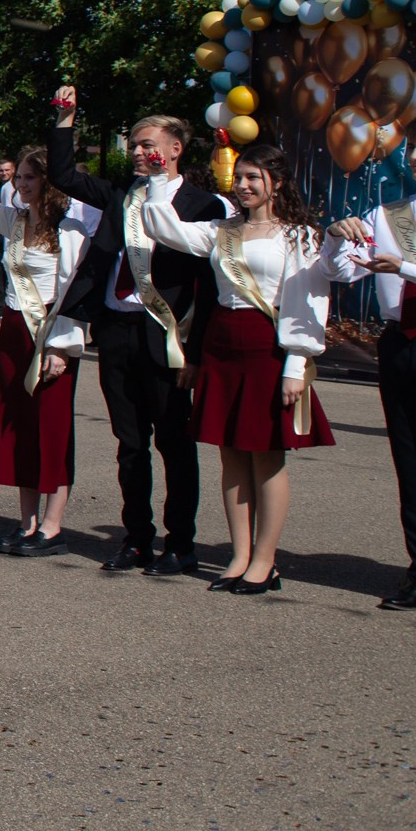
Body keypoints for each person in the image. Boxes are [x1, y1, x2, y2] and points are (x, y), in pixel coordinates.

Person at [44, 89, 226, 577]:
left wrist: (196, 351)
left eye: (149, 144)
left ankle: (181, 543)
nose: (140, 152)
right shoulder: (123, 195)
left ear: (174, 149)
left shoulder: (204, 204)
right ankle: (137, 538)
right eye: (135, 145)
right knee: (129, 444)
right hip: (116, 329)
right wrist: (65, 121)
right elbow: (63, 177)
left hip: (166, 337)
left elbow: (207, 286)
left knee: (174, 442)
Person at [144, 141, 336, 594]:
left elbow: (307, 302)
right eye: (241, 177)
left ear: (278, 183)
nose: (245, 185)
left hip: (267, 345)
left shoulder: (299, 235)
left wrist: (296, 365)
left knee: (266, 456)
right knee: (230, 454)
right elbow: (163, 226)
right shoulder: (221, 230)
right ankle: (240, 554)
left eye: (255, 178)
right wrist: (156, 177)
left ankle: (265, 561)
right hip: (222, 343)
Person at [326, 110, 416, 616]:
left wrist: (407, 267)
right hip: (400, 342)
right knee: (411, 461)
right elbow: (343, 274)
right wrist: (336, 236)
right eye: (413, 147)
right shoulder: (388, 213)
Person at [0, 136, 98, 556]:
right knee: (18, 425)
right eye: (17, 176)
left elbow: (75, 291)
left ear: (49, 181)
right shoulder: (14, 221)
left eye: (30, 176)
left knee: (51, 428)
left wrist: (61, 346)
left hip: (51, 333)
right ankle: (26, 522)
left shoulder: (69, 229)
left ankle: (52, 527)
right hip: (15, 331)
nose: (21, 183)